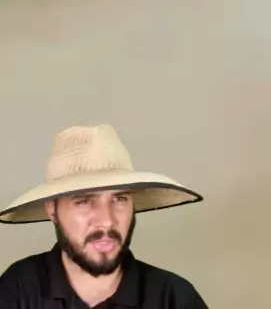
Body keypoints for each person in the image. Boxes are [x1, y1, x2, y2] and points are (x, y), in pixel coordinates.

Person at [0, 124, 208, 308]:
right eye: (85, 201)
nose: (107, 221)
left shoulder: (174, 298)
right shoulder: (18, 290)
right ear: (52, 210)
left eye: (119, 199)